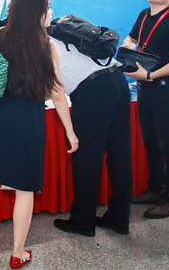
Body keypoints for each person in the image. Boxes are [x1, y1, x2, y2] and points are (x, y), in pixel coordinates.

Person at [0, 0, 78, 269]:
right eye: (48, 7)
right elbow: (57, 92)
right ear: (38, 11)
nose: (50, 12)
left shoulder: (0, 35)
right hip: (29, 119)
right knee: (25, 189)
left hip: (0, 116)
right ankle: (17, 252)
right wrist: (70, 131)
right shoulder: (46, 44)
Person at [51, 22, 132, 237]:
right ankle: (119, 218)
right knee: (120, 155)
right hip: (117, 80)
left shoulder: (44, 43)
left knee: (87, 157)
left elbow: (55, 91)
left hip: (93, 90)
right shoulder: (64, 31)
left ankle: (82, 221)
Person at [121, 0, 169, 219]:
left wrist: (150, 75)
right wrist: (127, 50)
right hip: (145, 89)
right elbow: (132, 39)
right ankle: (154, 190)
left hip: (165, 89)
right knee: (150, 141)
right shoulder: (144, 14)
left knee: (168, 144)